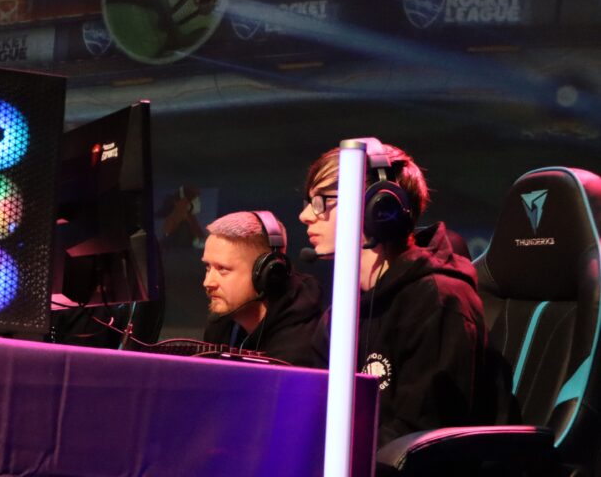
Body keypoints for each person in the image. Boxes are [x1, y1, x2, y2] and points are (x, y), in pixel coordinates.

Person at [299, 138, 486, 446]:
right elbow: (314, 412)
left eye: (321, 201)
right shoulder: (343, 312)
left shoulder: (437, 300)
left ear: (380, 207)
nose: (305, 216)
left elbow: (421, 439)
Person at [202, 210, 323, 366]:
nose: (208, 282)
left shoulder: (301, 348)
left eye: (222, 269)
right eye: (207, 267)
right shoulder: (219, 326)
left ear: (268, 273)